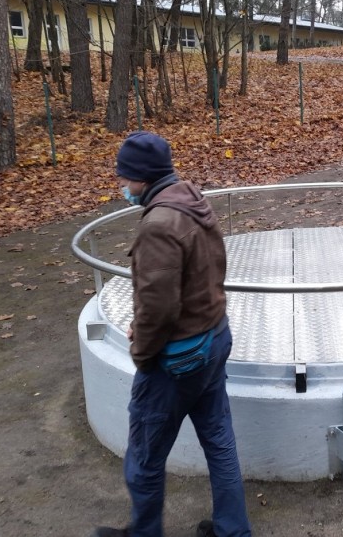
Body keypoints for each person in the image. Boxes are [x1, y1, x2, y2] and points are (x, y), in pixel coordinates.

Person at [93, 131, 252, 537]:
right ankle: (232, 530)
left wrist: (142, 353)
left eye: (125, 179)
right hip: (214, 336)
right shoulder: (192, 199)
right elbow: (198, 276)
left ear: (142, 179)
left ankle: (144, 533)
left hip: (178, 359)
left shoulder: (158, 225)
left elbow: (159, 308)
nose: (122, 187)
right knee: (219, 442)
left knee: (145, 457)